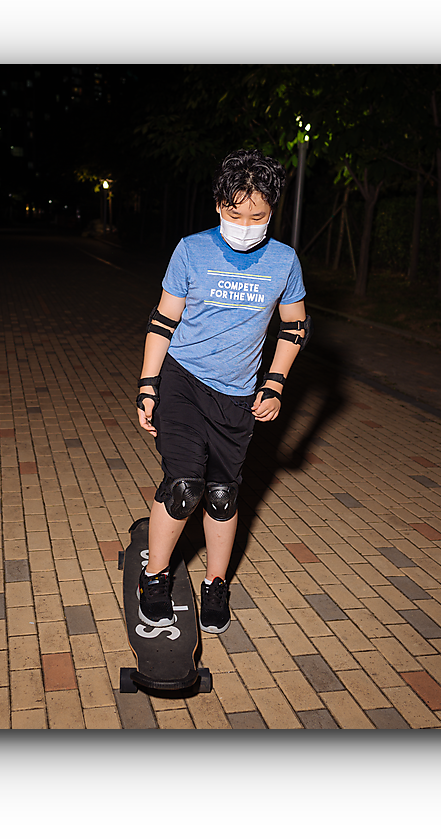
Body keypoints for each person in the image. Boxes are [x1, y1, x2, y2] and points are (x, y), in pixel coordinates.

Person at [135, 148, 310, 634]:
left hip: (237, 395)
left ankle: (216, 584)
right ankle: (155, 577)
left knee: (222, 495)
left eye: (258, 216)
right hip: (183, 380)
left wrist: (275, 383)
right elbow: (163, 320)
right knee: (185, 484)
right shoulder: (192, 251)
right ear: (218, 205)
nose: (246, 226)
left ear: (272, 211)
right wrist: (148, 385)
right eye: (235, 214)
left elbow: (295, 327)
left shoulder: (284, 260)